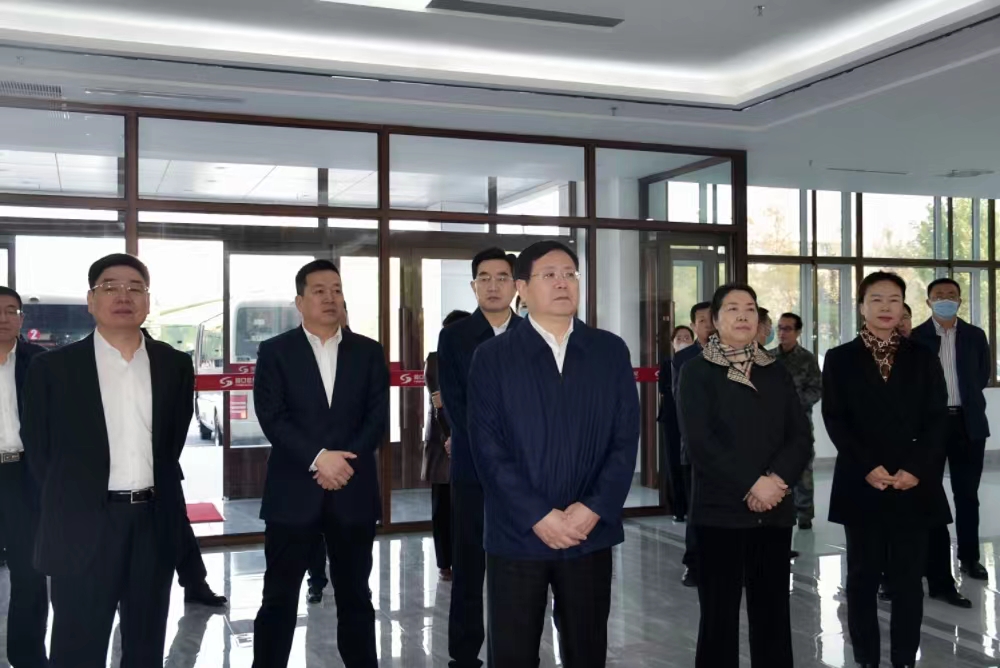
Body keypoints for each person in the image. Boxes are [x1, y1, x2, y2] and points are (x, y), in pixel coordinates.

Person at [468, 240, 639, 667]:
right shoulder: (493, 356)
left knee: (586, 650)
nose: (563, 283)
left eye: (569, 274)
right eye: (549, 275)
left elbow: (624, 440)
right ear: (522, 289)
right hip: (517, 533)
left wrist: (593, 508)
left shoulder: (609, 351)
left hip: (588, 532)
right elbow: (487, 448)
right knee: (513, 653)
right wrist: (538, 515)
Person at [22, 253, 194, 668]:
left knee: (146, 645)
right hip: (83, 524)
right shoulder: (52, 368)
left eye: (135, 288)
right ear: (91, 299)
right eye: (110, 287)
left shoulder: (174, 364)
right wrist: (75, 499)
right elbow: (40, 452)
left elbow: (171, 443)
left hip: (153, 523)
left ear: (148, 301)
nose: (124, 296)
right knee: (77, 646)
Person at [250, 259, 388, 668]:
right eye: (319, 291)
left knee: (356, 596)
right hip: (293, 492)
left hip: (353, 489)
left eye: (337, 290)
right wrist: (318, 459)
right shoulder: (276, 351)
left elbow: (376, 417)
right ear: (300, 301)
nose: (331, 298)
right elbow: (272, 416)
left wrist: (342, 465)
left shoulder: (368, 351)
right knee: (278, 597)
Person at [677, 284, 810, 668]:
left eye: (750, 308)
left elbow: (799, 435)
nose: (742, 315)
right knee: (718, 618)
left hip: (774, 511)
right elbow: (700, 442)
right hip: (720, 512)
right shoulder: (697, 371)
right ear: (715, 320)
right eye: (732, 308)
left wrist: (777, 482)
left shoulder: (775, 370)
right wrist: (753, 484)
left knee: (773, 616)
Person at [823, 271, 949, 668]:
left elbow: (937, 419)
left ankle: (904, 659)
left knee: (909, 581)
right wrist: (867, 466)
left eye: (893, 300)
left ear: (903, 307)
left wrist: (916, 469)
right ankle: (866, 658)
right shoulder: (840, 358)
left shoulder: (923, 356)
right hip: (864, 481)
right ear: (861, 307)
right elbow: (835, 419)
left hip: (912, 483)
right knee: (862, 577)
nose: (885, 307)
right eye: (876, 299)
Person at [437, 247, 522, 668]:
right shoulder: (454, 337)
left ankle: (516, 651)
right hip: (474, 469)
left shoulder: (532, 333)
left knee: (521, 569)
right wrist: (497, 453)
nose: (493, 285)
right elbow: (457, 406)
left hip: (528, 473)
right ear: (473, 286)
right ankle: (464, 655)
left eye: (501, 277)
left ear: (516, 285)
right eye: (484, 278)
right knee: (469, 566)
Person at [912, 277, 991, 608]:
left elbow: (982, 374)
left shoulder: (975, 335)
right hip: (931, 426)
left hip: (968, 423)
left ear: (960, 301)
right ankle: (931, 563)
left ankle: (969, 557)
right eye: (939, 295)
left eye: (951, 295)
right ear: (928, 301)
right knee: (929, 496)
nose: (945, 299)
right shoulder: (917, 337)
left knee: (967, 495)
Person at [0, 287, 48, 668]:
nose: (3, 318)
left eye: (10, 310)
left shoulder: (40, 362)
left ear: (21, 318)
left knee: (30, 574)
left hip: (23, 477)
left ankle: (28, 657)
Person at [424, 309, 470, 581]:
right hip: (443, 443)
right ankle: (445, 563)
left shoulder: (478, 355)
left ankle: (467, 558)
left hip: (468, 440)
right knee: (442, 505)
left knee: (467, 506)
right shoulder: (435, 360)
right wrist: (451, 437)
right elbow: (439, 403)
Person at [672, 302, 715, 587]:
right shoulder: (684, 358)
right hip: (695, 448)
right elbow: (682, 405)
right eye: (702, 321)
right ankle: (695, 564)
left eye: (712, 319)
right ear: (693, 325)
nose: (708, 326)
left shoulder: (733, 353)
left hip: (731, 450)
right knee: (697, 509)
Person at [774, 312, 822, 530]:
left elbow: (816, 389)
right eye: (780, 328)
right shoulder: (768, 357)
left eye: (787, 329)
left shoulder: (807, 359)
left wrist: (793, 405)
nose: (782, 333)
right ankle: (778, 510)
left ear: (798, 332)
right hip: (773, 425)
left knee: (803, 468)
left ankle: (804, 514)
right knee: (775, 467)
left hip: (799, 423)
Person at [658, 325, 694, 522]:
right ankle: (678, 508)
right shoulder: (667, 363)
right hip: (672, 419)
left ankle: (692, 506)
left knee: (689, 464)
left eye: (687, 337)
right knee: (674, 462)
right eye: (679, 337)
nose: (683, 340)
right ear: (672, 343)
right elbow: (664, 392)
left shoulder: (697, 362)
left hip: (690, 420)